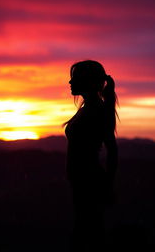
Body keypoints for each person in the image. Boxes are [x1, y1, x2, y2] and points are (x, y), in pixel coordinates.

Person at [64, 60, 118, 251]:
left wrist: (108, 184)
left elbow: (112, 149)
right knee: (89, 231)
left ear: (87, 81)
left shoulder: (96, 110)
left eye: (74, 78)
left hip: (89, 181)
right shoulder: (88, 108)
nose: (70, 83)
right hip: (83, 181)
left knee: (87, 232)